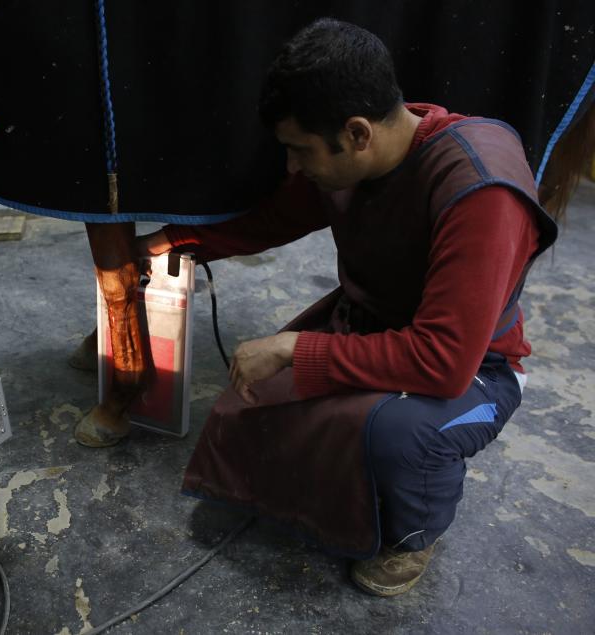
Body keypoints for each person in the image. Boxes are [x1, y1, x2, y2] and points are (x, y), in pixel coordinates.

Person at [138, 18, 557, 597]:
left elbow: (443, 360)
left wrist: (293, 347)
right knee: (245, 410)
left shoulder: (479, 189)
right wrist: (174, 242)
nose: (291, 167)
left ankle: (416, 534)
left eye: (299, 151)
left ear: (357, 133)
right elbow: (273, 221)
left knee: (391, 436)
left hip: (477, 370)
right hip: (371, 326)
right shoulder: (359, 156)